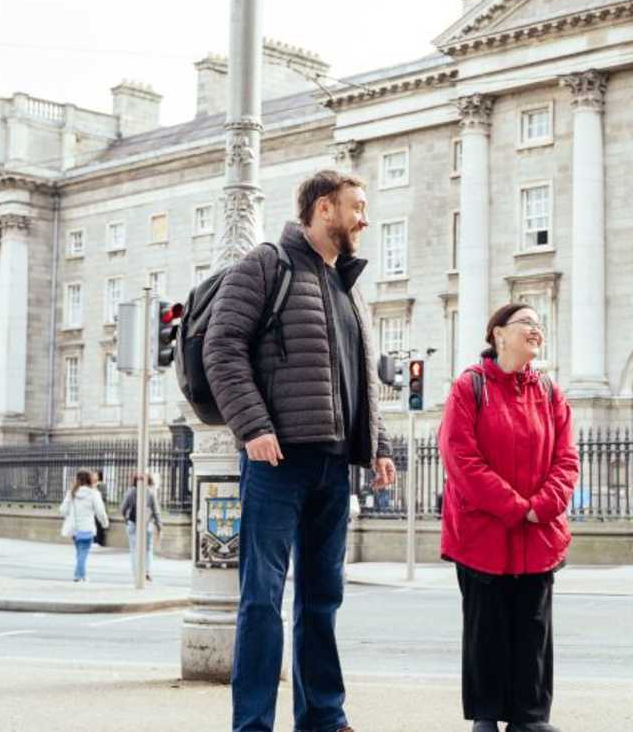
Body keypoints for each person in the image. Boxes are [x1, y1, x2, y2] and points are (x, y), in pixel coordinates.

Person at [204, 169, 397, 732]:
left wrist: (377, 445)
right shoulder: (267, 265)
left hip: (334, 465)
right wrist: (253, 426)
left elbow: (361, 377)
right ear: (323, 209)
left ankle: (322, 718)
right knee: (262, 599)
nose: (364, 217)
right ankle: (253, 724)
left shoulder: (347, 284)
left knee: (322, 598)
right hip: (276, 461)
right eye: (355, 206)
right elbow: (222, 347)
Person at [439, 302, 579, 732]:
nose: (536, 331)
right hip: (483, 534)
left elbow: (567, 458)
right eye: (526, 324)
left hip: (538, 535)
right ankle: (486, 715)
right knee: (487, 629)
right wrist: (517, 507)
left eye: (540, 325)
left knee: (534, 628)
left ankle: (530, 717)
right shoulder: (469, 387)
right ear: (498, 334)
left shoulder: (551, 391)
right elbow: (461, 458)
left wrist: (543, 504)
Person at [58, 470, 108, 582]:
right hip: (87, 528)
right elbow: (100, 511)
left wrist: (69, 514)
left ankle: (83, 575)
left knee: (80, 552)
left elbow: (62, 510)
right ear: (89, 479)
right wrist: (105, 523)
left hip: (74, 529)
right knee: (83, 553)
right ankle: (78, 575)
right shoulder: (94, 493)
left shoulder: (71, 493)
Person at [121, 471, 162, 582]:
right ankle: (147, 571)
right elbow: (156, 511)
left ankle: (137, 573)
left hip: (132, 523)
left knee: (134, 549)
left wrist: (126, 520)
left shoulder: (130, 493)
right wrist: (159, 526)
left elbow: (123, 509)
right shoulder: (150, 493)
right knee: (147, 549)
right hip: (147, 524)